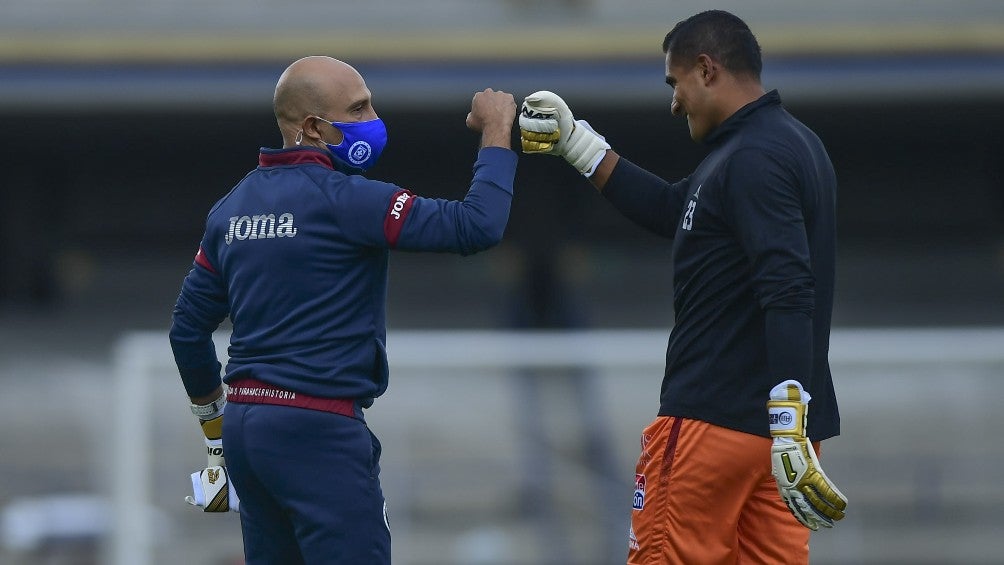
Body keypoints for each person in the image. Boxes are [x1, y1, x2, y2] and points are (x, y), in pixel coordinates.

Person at [518, 10, 846, 564]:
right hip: (776, 441)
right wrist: (579, 145)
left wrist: (787, 418)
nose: (674, 102)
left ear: (706, 68)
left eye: (675, 83)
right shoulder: (784, 146)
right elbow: (675, 209)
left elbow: (788, 288)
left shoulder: (752, 158)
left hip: (713, 424)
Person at [169, 55, 518, 564]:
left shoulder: (232, 208)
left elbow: (186, 331)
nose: (375, 119)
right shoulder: (348, 200)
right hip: (317, 430)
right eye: (359, 109)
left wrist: (215, 432)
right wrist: (497, 133)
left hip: (246, 429)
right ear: (313, 127)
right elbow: (477, 225)